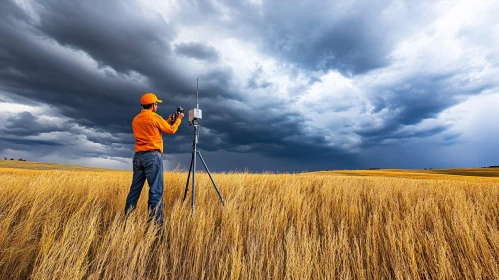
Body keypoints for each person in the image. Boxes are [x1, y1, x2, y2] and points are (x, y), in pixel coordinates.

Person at [125, 92, 184, 225]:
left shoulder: (136, 119)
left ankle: (127, 223)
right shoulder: (154, 117)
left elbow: (152, 129)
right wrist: (179, 119)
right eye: (156, 104)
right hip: (152, 157)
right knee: (156, 192)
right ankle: (155, 228)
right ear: (152, 105)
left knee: (134, 191)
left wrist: (167, 121)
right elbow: (171, 130)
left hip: (138, 157)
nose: (157, 106)